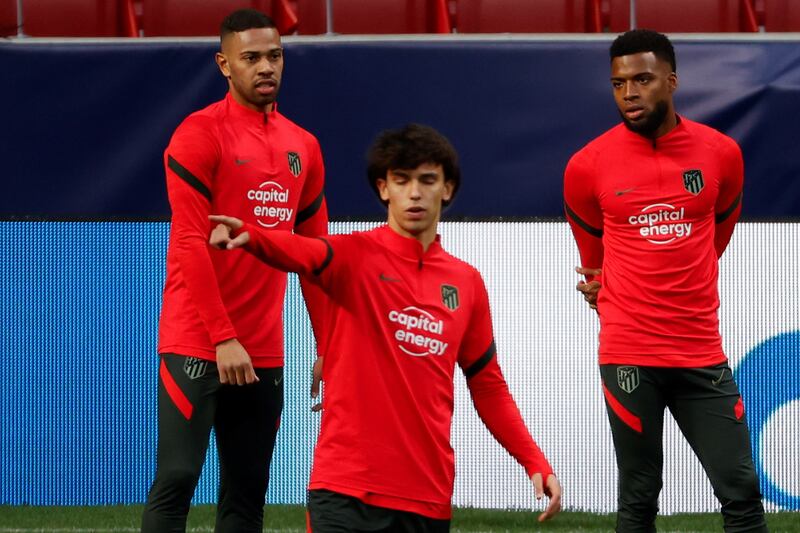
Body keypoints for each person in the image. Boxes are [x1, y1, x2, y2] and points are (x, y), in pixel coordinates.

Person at [209, 124, 562, 532]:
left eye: (427, 180)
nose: (414, 192)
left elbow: (488, 385)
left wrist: (534, 460)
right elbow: (301, 252)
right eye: (402, 180)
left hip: (427, 499)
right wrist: (251, 236)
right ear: (383, 189)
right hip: (344, 494)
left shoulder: (467, 283)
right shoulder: (353, 256)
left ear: (447, 189)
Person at [564, 29, 767, 532]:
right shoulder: (585, 166)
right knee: (638, 496)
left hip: (701, 353)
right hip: (629, 354)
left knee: (740, 490)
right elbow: (593, 264)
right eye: (617, 84)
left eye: (642, 80)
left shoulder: (722, 154)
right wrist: (603, 287)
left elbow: (716, 239)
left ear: (671, 81)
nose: (629, 93)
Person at [141, 9, 329, 533]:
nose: (265, 67)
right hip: (197, 340)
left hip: (265, 347)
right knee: (176, 478)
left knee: (247, 493)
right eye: (251, 58)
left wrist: (327, 344)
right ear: (225, 64)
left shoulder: (304, 146)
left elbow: (315, 255)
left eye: (274, 56)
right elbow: (188, 245)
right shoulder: (199, 134)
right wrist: (223, 338)